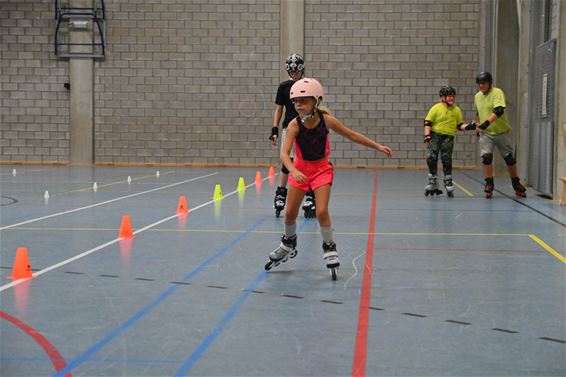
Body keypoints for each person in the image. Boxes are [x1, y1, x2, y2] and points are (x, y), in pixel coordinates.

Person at [264, 78, 393, 279]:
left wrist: (377, 146)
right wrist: (292, 169)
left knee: (322, 211)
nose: (299, 105)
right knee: (289, 213)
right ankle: (288, 243)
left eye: (304, 101)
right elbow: (284, 153)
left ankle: (329, 246)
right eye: (296, 101)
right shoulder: (293, 125)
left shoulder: (327, 121)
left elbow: (352, 135)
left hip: (321, 170)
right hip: (299, 169)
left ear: (316, 101)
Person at [462, 72, 527, 198]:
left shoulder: (497, 92)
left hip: (501, 131)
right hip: (486, 134)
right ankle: (489, 183)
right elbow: (479, 112)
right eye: (479, 84)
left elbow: (499, 110)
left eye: (484, 83)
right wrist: (479, 126)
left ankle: (516, 183)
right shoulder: (477, 96)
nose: (481, 86)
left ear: (490, 83)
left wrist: (487, 123)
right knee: (486, 158)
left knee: (509, 159)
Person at [269, 53, 317, 218]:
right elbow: (279, 109)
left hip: (307, 127)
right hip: (289, 127)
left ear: (302, 69)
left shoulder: (310, 85)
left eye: (297, 71)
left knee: (308, 161)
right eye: (292, 72)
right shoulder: (284, 87)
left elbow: (315, 106)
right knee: (286, 160)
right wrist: (274, 129)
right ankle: (281, 192)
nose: (295, 74)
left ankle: (310, 194)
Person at [423, 86, 468, 197]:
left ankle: (448, 180)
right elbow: (427, 123)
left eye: (453, 96)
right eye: (449, 96)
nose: (451, 98)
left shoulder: (456, 110)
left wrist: (469, 126)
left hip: (448, 136)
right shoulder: (436, 108)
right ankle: (432, 181)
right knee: (431, 157)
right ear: (443, 97)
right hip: (435, 135)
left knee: (446, 158)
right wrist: (427, 136)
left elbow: (459, 125)